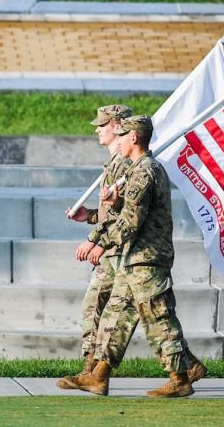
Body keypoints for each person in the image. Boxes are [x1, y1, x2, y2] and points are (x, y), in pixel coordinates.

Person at [76, 115, 204, 398]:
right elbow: (129, 214)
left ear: (133, 138)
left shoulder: (145, 171)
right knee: (115, 317)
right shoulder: (138, 170)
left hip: (147, 258)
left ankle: (180, 377)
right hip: (133, 258)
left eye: (122, 135)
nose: (117, 140)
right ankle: (97, 375)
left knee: (158, 319)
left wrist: (100, 243)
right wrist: (104, 211)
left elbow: (130, 223)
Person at [56, 104, 134, 389]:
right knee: (99, 309)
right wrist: (88, 216)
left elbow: (124, 216)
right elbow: (109, 214)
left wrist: (96, 242)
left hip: (119, 251)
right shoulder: (115, 163)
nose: (97, 129)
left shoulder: (125, 165)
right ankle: (91, 371)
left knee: (109, 311)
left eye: (102, 124)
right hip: (112, 249)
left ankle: (93, 372)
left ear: (116, 126)